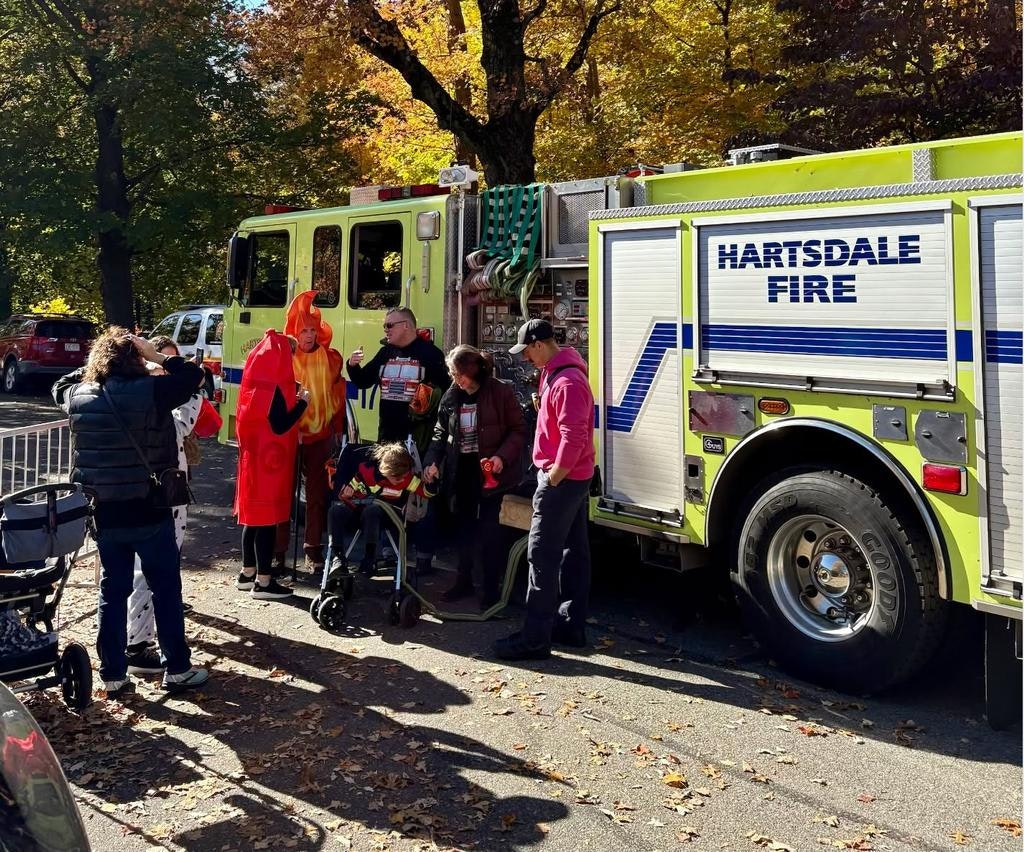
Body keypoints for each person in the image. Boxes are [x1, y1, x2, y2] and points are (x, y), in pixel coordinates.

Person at [53, 327, 209, 696]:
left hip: (104, 512)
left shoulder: (77, 395)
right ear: (136, 358)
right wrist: (156, 356)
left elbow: (60, 384)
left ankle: (113, 674)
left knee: (113, 590)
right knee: (165, 589)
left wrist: (95, 366)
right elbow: (193, 375)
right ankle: (178, 668)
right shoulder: (152, 392)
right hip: (149, 508)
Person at [492, 319, 595, 661]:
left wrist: (552, 478)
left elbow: (574, 437)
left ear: (539, 343)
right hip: (573, 478)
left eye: (527, 352)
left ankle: (535, 638)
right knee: (571, 552)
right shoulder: (558, 372)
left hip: (561, 479)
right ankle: (569, 625)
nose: (525, 359)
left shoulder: (567, 381)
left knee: (542, 555)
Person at [124, 337, 205, 675]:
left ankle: (137, 642)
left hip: (163, 495)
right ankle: (137, 644)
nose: (165, 370)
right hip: (158, 498)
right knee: (148, 573)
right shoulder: (152, 404)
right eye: (158, 364)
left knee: (146, 574)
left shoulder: (150, 398)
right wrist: (163, 365)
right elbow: (191, 393)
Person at [423, 345, 525, 608]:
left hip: (493, 475)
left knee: (491, 533)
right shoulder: (452, 395)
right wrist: (432, 461)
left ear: (474, 371)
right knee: (465, 531)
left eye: (460, 375)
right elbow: (440, 431)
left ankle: (491, 589)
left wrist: (501, 457)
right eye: (453, 374)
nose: (457, 380)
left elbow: (518, 430)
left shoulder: (500, 392)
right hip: (463, 471)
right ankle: (463, 580)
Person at [274, 292, 347, 573]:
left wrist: (338, 430)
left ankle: (312, 550)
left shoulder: (330, 359)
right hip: (289, 436)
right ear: (294, 332)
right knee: (283, 495)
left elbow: (337, 395)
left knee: (317, 496)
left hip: (320, 437)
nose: (308, 335)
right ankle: (278, 553)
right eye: (303, 330)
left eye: (312, 330)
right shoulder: (284, 358)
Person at [234, 330, 309, 600]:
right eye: (290, 354)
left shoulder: (257, 382)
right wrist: (303, 404)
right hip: (269, 461)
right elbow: (280, 424)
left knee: (252, 519)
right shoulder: (274, 388)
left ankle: (248, 572)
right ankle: (264, 583)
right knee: (266, 520)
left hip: (253, 457)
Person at [327, 442, 436, 577]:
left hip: (387, 517)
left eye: (403, 476)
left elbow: (426, 493)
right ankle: (338, 558)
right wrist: (346, 494)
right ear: (386, 471)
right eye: (397, 477)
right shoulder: (365, 472)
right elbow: (346, 496)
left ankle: (370, 557)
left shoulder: (407, 479)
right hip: (359, 513)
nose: (401, 479)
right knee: (335, 511)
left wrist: (430, 481)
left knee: (372, 510)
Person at [346, 306, 447, 445]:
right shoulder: (385, 353)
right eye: (384, 326)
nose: (385, 329)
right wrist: (352, 365)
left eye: (389, 325)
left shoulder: (431, 354)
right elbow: (362, 381)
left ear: (405, 325)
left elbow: (445, 394)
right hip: (387, 438)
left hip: (418, 441)